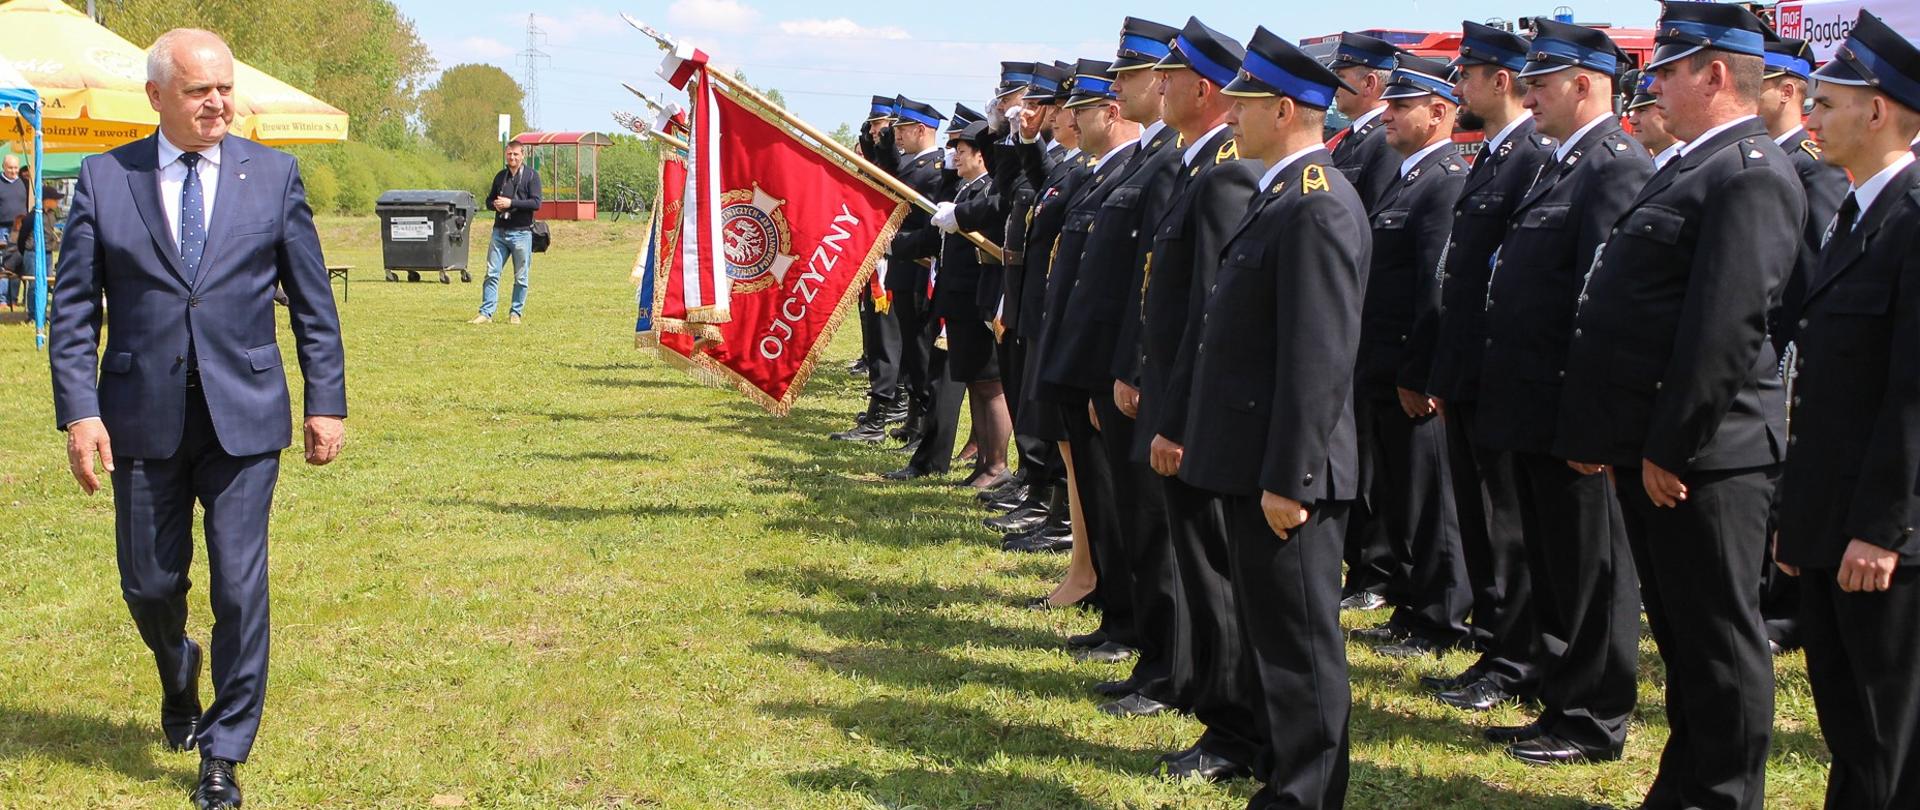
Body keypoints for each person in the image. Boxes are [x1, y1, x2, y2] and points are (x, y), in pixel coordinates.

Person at [48, 28, 347, 810]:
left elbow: (314, 306)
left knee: (241, 588)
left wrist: (326, 402)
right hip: (139, 416)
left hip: (245, 417)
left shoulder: (273, 175)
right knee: (149, 584)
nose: (217, 103)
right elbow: (75, 310)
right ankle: (177, 666)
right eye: (197, 91)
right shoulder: (105, 179)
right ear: (156, 98)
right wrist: (81, 414)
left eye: (224, 89)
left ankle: (222, 749)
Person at [1557, 3, 1802, 805]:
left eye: (1668, 70)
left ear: (1717, 74)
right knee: (1687, 639)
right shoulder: (1692, 164)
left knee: (1722, 644)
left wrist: (1671, 446)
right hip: (1660, 449)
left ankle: (1726, 791)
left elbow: (1725, 331)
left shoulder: (1750, 173)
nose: (1653, 84)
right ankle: (1691, 781)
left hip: (1707, 457)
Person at [1173, 27, 1370, 806]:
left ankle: (1309, 792)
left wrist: (1291, 478)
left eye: (1247, 104)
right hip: (1257, 459)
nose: (1231, 115)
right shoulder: (1282, 194)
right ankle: (1285, 777)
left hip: (1291, 470)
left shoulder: (1317, 206)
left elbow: (1317, 361)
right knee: (1273, 639)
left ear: (1285, 109)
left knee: (1301, 647)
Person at [1474, 17, 1650, 767]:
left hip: (1573, 414)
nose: (1529, 93)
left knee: (1592, 573)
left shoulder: (1614, 166)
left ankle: (1593, 717)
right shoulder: (1559, 163)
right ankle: (1559, 697)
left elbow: (1603, 306)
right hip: (1534, 409)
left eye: (1542, 82)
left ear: (1585, 85)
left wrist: (1593, 427)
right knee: (1555, 564)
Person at [1779, 12, 1920, 807]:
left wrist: (1880, 527)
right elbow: (1827, 390)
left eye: (1826, 103)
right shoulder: (1854, 212)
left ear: (1877, 110)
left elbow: (1912, 396)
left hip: (1879, 537)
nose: (1811, 118)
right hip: (1835, 520)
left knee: (1881, 736)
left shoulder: (1912, 219)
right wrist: (1802, 521)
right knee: (1850, 727)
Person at [1134, 16, 1262, 781]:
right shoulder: (1197, 166)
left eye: (1170, 77)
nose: (1156, 88)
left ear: (1204, 90)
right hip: (1178, 395)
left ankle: (1235, 730)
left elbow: (1214, 312)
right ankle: (1219, 711)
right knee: (1198, 565)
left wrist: (1180, 417)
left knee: (1215, 576)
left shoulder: (1224, 174)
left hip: (1201, 411)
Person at [1040, 14, 1183, 694]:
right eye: (1126, 75)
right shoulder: (1146, 161)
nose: (1130, 86)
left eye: (1137, 75)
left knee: (1147, 520)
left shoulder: (1167, 162)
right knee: (1125, 510)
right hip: (1102, 363)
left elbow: (1148, 283)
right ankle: (1128, 624)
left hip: (1128, 369)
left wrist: (1128, 367)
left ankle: (1155, 648)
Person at [1418, 20, 1556, 712]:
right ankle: (1496, 644)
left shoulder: (1531, 157)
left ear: (1502, 81)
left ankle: (1517, 656)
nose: (1458, 86)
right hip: (1469, 371)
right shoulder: (1496, 157)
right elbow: (1462, 276)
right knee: (1480, 519)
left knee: (1507, 528)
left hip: (1500, 375)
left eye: (1468, 75)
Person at [1344, 54, 1472, 658]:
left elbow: (1434, 287)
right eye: (1389, 103)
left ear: (1439, 112)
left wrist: (1420, 371)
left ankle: (1443, 615)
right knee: (1398, 492)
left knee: (1430, 499)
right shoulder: (1407, 174)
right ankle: (1410, 602)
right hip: (1381, 365)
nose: (1388, 115)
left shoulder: (1445, 177)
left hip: (1408, 371)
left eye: (1402, 106)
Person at [1030, 58, 1143, 664]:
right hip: (1079, 356)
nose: (1069, 119)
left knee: (1117, 496)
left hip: (1106, 364)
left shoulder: (1138, 169)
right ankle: (1108, 597)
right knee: (1097, 491)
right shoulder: (1100, 175)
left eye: (1083, 108)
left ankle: (1122, 608)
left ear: (1111, 112)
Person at [1760, 34, 1849, 658]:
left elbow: (1814, 277)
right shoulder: (1769, 162)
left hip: (1789, 358)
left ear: (1787, 89)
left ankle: (1786, 612)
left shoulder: (1810, 173)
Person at [929, 120, 1015, 490]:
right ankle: (983, 461)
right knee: (976, 382)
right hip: (962, 298)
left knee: (991, 384)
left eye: (962, 153)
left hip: (978, 294)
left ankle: (997, 464)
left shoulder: (989, 189)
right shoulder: (968, 190)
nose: (955, 158)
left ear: (982, 156)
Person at [832, 98, 911, 443]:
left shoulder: (909, 161)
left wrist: (881, 146)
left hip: (895, 262)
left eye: (886, 126)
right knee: (880, 339)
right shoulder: (887, 154)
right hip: (879, 258)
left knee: (890, 341)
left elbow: (891, 177)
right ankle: (887, 403)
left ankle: (886, 409)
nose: (881, 132)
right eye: (875, 126)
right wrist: (868, 144)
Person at [470, 142, 541, 325]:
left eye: (516, 154)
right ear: (505, 154)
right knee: (492, 273)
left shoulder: (532, 176)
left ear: (523, 155)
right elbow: (488, 200)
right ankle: (486, 313)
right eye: (509, 154)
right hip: (499, 233)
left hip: (521, 234)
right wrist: (494, 204)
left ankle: (515, 313)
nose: (512, 158)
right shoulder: (500, 177)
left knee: (521, 277)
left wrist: (511, 203)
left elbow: (536, 203)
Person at [1625, 70, 1686, 168]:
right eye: (1633, 112)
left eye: (1642, 110)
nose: (1632, 120)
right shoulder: (1650, 166)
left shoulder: (1686, 165)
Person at [0, 154, 28, 307]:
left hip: (19, 228)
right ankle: (2, 299)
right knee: (3, 265)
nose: (13, 171)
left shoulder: (24, 183)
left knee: (17, 263)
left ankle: (14, 299)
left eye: (16, 167)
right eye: (10, 167)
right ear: (4, 167)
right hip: (2, 228)